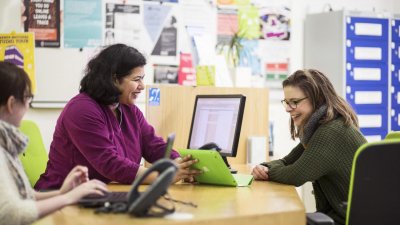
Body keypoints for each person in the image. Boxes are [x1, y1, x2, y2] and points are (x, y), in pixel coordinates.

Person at [35, 44, 200, 190]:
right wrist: (164, 176)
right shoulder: (81, 109)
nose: (142, 86)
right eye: (137, 79)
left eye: (142, 79)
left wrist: (179, 164)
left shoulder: (129, 110)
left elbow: (153, 145)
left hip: (102, 192)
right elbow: (110, 163)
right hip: (61, 196)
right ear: (114, 79)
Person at [251, 69, 367, 225]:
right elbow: (287, 161)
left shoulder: (331, 131)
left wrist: (268, 171)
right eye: (286, 102)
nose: (288, 108)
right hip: (336, 215)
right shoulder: (321, 128)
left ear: (317, 98)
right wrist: (264, 167)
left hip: (346, 219)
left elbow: (295, 175)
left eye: (295, 102)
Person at [0, 61, 108, 225]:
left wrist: (62, 193)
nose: (28, 106)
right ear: (11, 104)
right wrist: (68, 198)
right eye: (28, 98)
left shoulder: (5, 144)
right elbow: (12, 214)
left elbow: (25, 197)